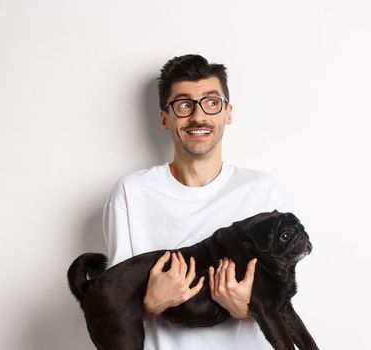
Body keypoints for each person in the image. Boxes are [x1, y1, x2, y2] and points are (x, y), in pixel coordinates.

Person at [101, 54, 290, 349]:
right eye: (184, 104)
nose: (199, 116)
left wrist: (248, 308)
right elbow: (111, 305)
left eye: (211, 103)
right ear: (165, 118)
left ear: (227, 112)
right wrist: (151, 303)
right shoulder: (132, 193)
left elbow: (283, 299)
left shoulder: (262, 191)